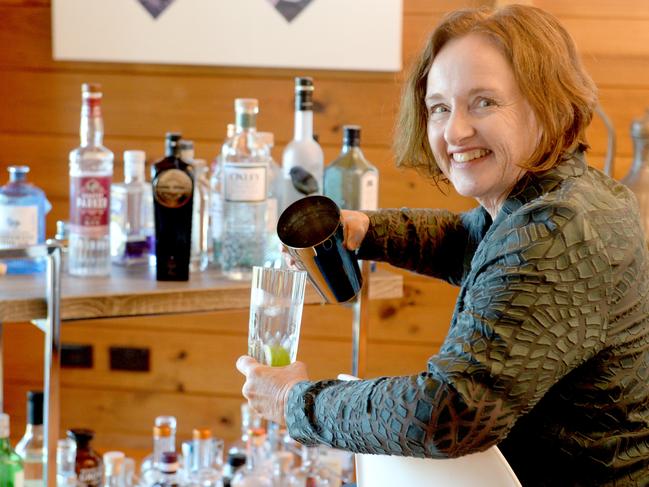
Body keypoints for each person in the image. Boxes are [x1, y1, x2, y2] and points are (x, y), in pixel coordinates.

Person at [236, 5, 649, 485]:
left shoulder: (554, 230)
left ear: (547, 103)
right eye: (440, 108)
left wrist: (297, 403)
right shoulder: (571, 196)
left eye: (484, 103)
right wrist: (368, 229)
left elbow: (448, 413)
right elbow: (470, 241)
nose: (454, 132)